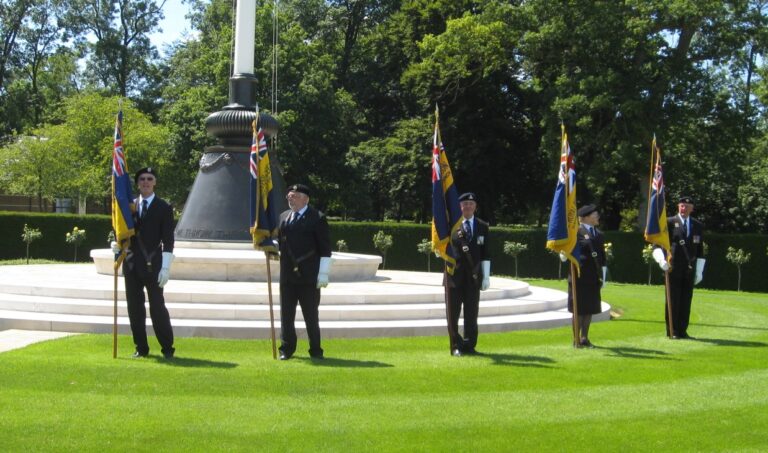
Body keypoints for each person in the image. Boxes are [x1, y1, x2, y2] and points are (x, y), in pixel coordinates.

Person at [113, 167, 176, 359]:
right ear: (138, 183)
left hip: (154, 264)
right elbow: (121, 231)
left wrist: (165, 267)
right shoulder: (127, 206)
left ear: (155, 182)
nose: (146, 182)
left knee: (157, 307)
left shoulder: (164, 207)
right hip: (131, 263)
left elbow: (168, 240)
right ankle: (141, 348)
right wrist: (117, 245)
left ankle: (167, 348)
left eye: (149, 179)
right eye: (142, 179)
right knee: (134, 307)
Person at [276, 184, 332, 360]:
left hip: (308, 277)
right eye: (289, 196)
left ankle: (315, 350)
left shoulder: (317, 218)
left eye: (295, 196)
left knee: (310, 316)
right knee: (286, 315)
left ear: (305, 199)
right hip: (287, 276)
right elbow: (280, 243)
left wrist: (323, 274)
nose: (290, 199)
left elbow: (325, 249)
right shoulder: (283, 217)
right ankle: (286, 348)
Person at [652, 196, 705, 339]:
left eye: (687, 206)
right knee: (673, 300)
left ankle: (682, 330)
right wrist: (661, 260)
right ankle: (672, 331)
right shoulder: (668, 223)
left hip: (689, 269)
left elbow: (700, 250)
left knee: (686, 300)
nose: (684, 209)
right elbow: (657, 245)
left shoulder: (697, 226)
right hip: (672, 267)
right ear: (678, 207)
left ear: (692, 209)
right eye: (682, 206)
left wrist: (699, 271)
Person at [447, 192, 491, 356]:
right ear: (460, 207)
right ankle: (455, 345)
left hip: (474, 276)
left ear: (475, 207)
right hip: (454, 276)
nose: (468, 207)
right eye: (465, 204)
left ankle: (470, 345)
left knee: (472, 313)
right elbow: (443, 247)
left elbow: (486, 253)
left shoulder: (482, 226)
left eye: (471, 204)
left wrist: (486, 276)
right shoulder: (451, 226)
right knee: (453, 313)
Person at [561, 204, 606, 348]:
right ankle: (576, 340)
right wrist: (562, 254)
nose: (597, 217)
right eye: (594, 215)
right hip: (579, 276)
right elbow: (566, 251)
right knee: (579, 309)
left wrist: (603, 276)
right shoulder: (575, 232)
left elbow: (602, 257)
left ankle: (584, 338)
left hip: (593, 276)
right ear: (585, 218)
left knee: (590, 308)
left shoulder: (598, 234)